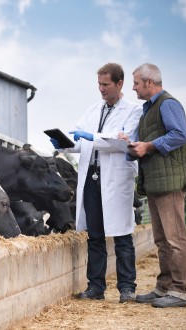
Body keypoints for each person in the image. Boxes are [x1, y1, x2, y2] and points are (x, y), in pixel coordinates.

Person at [50, 62, 143, 303]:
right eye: (99, 84)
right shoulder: (94, 109)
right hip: (92, 177)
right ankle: (96, 287)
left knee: (122, 235)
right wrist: (66, 144)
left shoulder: (134, 111)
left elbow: (122, 142)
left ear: (119, 83)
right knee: (95, 235)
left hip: (115, 178)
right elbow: (80, 139)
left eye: (105, 84)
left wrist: (94, 137)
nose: (101, 89)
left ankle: (127, 288)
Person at [128, 63, 186, 308]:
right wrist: (133, 145)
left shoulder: (168, 104)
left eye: (136, 83)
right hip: (157, 181)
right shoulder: (149, 109)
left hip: (172, 182)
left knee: (175, 237)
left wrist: (148, 146)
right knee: (162, 240)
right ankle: (164, 287)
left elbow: (180, 134)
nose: (133, 87)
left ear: (148, 82)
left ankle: (179, 291)